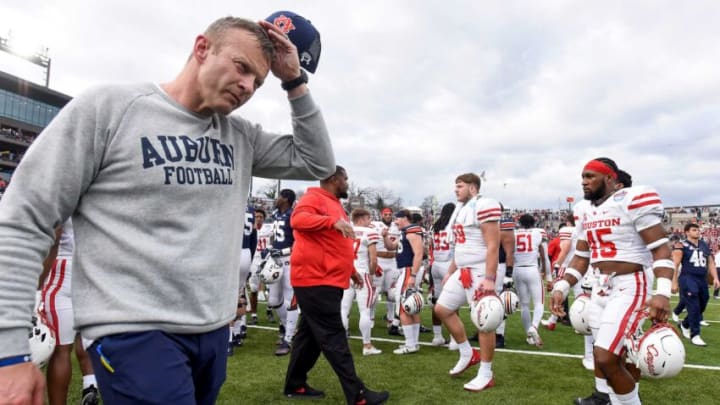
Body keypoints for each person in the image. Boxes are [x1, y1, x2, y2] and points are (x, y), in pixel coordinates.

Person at [0, 16, 336, 404]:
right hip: (132, 330)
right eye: (241, 67)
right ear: (201, 48)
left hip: (211, 329)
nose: (247, 86)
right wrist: (9, 352)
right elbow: (23, 219)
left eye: (258, 82)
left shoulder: (240, 135)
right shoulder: (111, 108)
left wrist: (293, 81)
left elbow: (317, 162)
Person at [551, 158, 674, 405]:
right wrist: (562, 286)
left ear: (610, 179)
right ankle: (608, 400)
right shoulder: (584, 211)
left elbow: (662, 249)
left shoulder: (630, 200)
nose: (584, 182)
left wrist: (662, 292)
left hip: (630, 284)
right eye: (583, 177)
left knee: (606, 356)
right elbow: (582, 258)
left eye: (590, 176)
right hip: (600, 286)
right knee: (608, 356)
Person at [284, 166, 389, 405]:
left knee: (308, 338)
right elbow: (297, 219)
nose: (347, 183)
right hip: (315, 279)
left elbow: (332, 244)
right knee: (334, 338)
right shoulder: (314, 197)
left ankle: (294, 384)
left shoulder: (333, 203)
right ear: (334, 179)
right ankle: (358, 395)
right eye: (345, 179)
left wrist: (350, 271)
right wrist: (332, 222)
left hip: (326, 277)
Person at [435, 172, 501, 392]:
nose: (456, 190)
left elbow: (493, 245)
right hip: (462, 270)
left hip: (481, 270)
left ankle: (486, 372)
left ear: (473, 187)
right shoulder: (462, 209)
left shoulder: (484, 204)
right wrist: (451, 270)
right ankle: (467, 352)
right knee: (442, 309)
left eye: (460, 186)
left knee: (485, 321)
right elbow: (462, 247)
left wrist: (490, 279)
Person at [39, 219, 99, 405]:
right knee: (87, 339)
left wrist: (37, 286)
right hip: (91, 269)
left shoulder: (64, 190)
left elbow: (55, 236)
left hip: (61, 272)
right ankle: (90, 387)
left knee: (61, 350)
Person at [340, 207, 382, 355]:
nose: (370, 221)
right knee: (365, 310)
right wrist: (371, 274)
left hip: (347, 272)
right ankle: (367, 345)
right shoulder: (370, 232)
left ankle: (342, 343)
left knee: (344, 309)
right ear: (362, 218)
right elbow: (374, 259)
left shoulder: (346, 230)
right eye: (368, 218)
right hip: (362, 273)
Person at [383, 209, 425, 354]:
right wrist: (385, 237)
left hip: (409, 270)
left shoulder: (412, 231)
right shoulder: (405, 231)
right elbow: (391, 247)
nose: (395, 221)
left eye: (398, 218)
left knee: (403, 307)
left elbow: (419, 254)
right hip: (406, 271)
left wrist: (412, 275)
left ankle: (410, 344)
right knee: (412, 306)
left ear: (405, 218)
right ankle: (414, 343)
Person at [672, 223, 719, 346]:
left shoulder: (704, 244)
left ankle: (685, 324)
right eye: (694, 230)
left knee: (702, 305)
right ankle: (695, 335)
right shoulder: (681, 245)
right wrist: (674, 282)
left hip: (701, 279)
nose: (697, 232)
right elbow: (675, 264)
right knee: (693, 305)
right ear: (687, 232)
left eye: (698, 230)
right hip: (688, 277)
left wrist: (715, 278)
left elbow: (710, 263)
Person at [267, 188, 299, 356]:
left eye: (279, 196)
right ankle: (290, 329)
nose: (276, 198)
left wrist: (283, 252)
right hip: (276, 261)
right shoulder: (276, 214)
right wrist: (270, 249)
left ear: (286, 199)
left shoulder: (293, 215)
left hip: (289, 262)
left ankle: (288, 339)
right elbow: (274, 237)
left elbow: (298, 242)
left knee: (290, 300)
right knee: (273, 300)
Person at [512, 213, 549, 348]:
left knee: (525, 305)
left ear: (520, 223)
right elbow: (544, 257)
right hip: (532, 269)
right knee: (539, 303)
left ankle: (529, 335)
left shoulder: (514, 233)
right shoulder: (538, 232)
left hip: (517, 269)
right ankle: (534, 327)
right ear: (534, 222)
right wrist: (546, 273)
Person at [429, 202, 456, 346]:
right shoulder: (454, 226)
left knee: (436, 301)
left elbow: (431, 247)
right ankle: (454, 339)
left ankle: (437, 336)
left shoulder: (435, 226)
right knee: (453, 301)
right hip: (448, 265)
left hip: (436, 265)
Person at [372, 208, 401, 335]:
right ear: (381, 215)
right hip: (379, 260)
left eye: (390, 214)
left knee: (391, 292)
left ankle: (390, 319)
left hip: (392, 261)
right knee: (375, 290)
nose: (388, 216)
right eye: (386, 214)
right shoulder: (375, 225)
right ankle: (370, 317)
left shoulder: (397, 226)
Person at [248, 207, 273, 325]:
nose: (258, 219)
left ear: (264, 218)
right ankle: (254, 315)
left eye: (261, 217)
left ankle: (269, 310)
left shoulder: (269, 228)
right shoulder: (250, 229)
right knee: (253, 289)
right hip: (254, 261)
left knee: (271, 288)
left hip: (267, 261)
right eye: (256, 217)